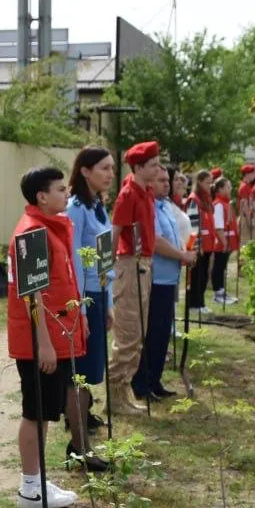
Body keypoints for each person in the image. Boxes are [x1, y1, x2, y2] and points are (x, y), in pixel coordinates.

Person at [7, 167, 89, 508]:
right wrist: (44, 342)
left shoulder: (51, 228)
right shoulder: (32, 233)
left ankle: (38, 479)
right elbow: (32, 295)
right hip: (41, 342)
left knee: (44, 412)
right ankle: (30, 486)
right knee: (35, 411)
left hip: (55, 336)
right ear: (42, 196)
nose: (66, 195)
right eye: (60, 189)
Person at [66, 145, 116, 447]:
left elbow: (105, 257)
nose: (111, 174)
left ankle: (83, 437)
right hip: (84, 298)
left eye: (112, 168)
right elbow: (73, 260)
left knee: (91, 373)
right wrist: (82, 309)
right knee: (81, 375)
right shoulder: (76, 208)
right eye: (104, 168)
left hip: (99, 296)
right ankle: (78, 443)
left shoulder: (97, 206)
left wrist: (108, 302)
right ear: (85, 171)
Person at [108, 141, 161, 415]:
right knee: (128, 331)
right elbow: (115, 233)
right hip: (129, 265)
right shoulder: (128, 194)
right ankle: (115, 393)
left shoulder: (147, 191)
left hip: (145, 263)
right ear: (139, 167)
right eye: (153, 165)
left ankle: (124, 389)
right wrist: (106, 270)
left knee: (138, 333)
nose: (158, 168)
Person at [134, 167, 195, 401]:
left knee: (162, 335)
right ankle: (142, 384)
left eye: (167, 180)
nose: (166, 184)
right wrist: (182, 256)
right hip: (155, 279)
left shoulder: (166, 207)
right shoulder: (149, 207)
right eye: (161, 181)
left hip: (170, 279)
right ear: (150, 183)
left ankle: (155, 380)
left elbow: (176, 238)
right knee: (151, 334)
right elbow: (156, 241)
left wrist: (187, 253)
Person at [187, 170, 218, 316]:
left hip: (208, 245)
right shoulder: (194, 199)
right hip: (199, 246)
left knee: (204, 275)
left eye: (211, 182)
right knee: (197, 276)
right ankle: (194, 303)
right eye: (207, 182)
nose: (210, 185)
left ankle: (201, 302)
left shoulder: (207, 199)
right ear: (199, 182)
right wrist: (195, 246)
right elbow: (192, 225)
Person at [211, 177, 238, 306]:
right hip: (222, 242)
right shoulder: (219, 205)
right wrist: (225, 242)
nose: (230, 189)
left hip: (226, 241)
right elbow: (218, 226)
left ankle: (222, 291)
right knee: (219, 267)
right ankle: (218, 293)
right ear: (220, 189)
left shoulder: (226, 203)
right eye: (227, 187)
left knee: (222, 267)